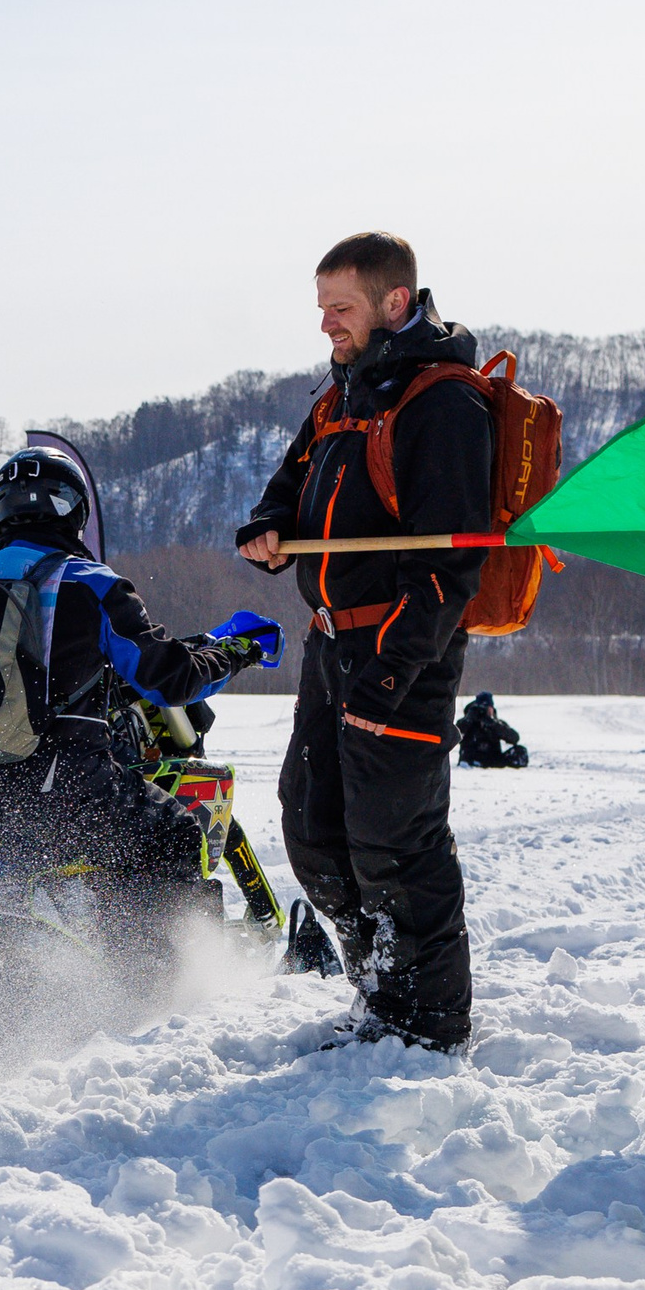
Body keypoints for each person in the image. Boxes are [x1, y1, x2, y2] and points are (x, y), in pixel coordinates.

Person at [236, 233, 492, 1049]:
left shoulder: (442, 401)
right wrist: (272, 524)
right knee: (312, 826)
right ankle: (382, 989)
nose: (326, 327)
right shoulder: (342, 393)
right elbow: (292, 478)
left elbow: (450, 569)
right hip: (329, 647)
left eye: (339, 309)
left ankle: (431, 1023)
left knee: (396, 844)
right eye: (320, 310)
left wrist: (391, 674)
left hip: (400, 654)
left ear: (392, 303)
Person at [0, 444, 281, 971]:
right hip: (72, 793)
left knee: (82, 839)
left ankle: (60, 959)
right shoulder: (93, 584)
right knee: (174, 834)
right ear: (74, 509)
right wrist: (238, 650)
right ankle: (158, 977)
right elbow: (169, 678)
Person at [456, 692, 528, 768]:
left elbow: (515, 738)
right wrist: (469, 719)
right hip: (471, 758)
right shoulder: (467, 723)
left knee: (520, 750)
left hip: (493, 760)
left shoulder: (496, 723)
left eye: (487, 708)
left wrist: (494, 724)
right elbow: (455, 736)